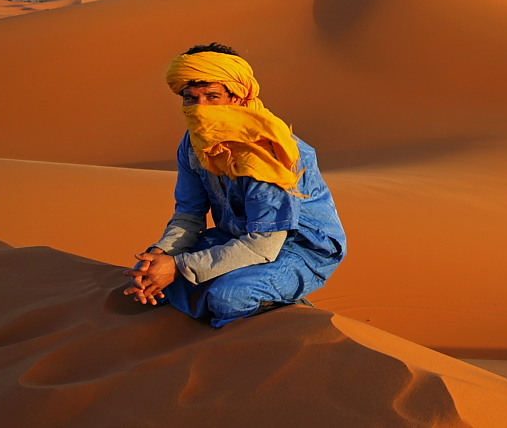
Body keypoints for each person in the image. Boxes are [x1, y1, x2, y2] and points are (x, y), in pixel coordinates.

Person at [123, 43, 346, 327]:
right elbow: (189, 215)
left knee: (230, 297)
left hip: (297, 248)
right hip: (234, 238)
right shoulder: (194, 144)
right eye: (190, 99)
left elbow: (265, 245)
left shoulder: (268, 150)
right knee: (147, 275)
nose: (200, 109)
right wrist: (162, 256)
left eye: (212, 97)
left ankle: (293, 317)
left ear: (239, 98)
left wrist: (179, 268)